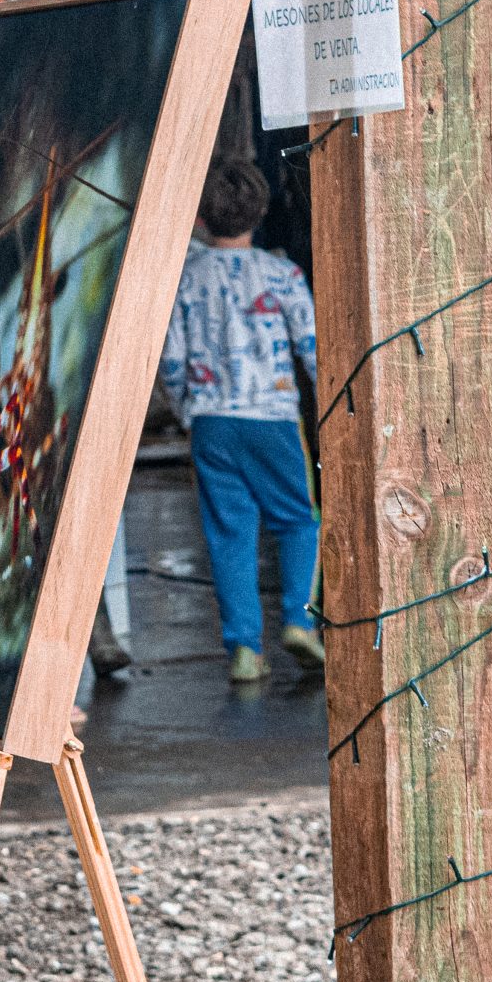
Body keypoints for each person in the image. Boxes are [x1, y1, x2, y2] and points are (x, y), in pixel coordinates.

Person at [158, 157, 325, 685]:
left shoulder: (185, 277)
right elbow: (313, 350)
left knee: (230, 533)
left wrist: (186, 409)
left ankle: (245, 651)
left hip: (211, 423)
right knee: (297, 520)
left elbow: (171, 357)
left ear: (201, 218)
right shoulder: (283, 274)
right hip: (273, 419)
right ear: (261, 212)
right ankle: (298, 620)